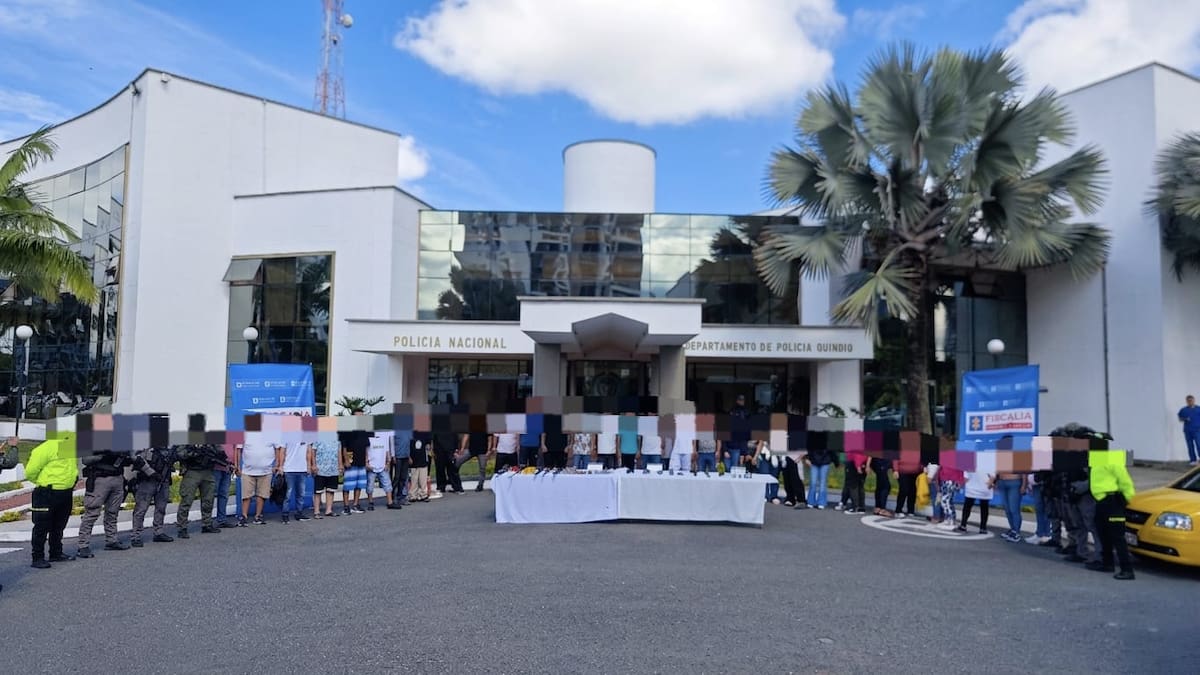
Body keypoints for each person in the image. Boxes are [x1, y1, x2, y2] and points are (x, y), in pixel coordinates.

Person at [26, 434, 79, 569]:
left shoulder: (70, 447)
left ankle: (56, 553)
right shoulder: (46, 448)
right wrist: (43, 483)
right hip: (46, 492)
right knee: (41, 527)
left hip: (65, 492)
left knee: (59, 526)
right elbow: (30, 472)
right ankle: (37, 557)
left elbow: (72, 469)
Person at [76, 448, 132, 557]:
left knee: (112, 512)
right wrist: (104, 455)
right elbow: (85, 460)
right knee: (92, 513)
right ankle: (83, 545)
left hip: (117, 478)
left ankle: (111, 540)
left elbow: (129, 459)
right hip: (100, 479)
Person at [1088, 460, 1137, 580]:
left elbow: (1125, 481)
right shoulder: (1095, 461)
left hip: (1112, 501)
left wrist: (1125, 499)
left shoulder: (1112, 459)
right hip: (1100, 501)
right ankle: (1107, 564)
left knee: (1118, 537)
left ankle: (1127, 570)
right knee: (1103, 533)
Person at [130, 445, 177, 547]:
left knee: (161, 508)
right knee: (141, 509)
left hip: (163, 480)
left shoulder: (170, 445)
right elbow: (137, 458)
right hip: (147, 480)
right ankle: (135, 536)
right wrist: (151, 473)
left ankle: (158, 532)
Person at [176, 444, 225, 537]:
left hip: (207, 471)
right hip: (191, 471)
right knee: (187, 500)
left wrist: (210, 450)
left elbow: (220, 451)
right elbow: (180, 453)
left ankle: (207, 524)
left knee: (208, 500)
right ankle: (182, 527)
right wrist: (193, 453)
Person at [236, 439, 279, 525]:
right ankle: (244, 517)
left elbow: (277, 449)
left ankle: (258, 516)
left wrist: (276, 464)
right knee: (246, 495)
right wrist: (237, 466)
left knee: (262, 495)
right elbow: (238, 449)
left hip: (266, 471)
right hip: (247, 471)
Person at [279, 436, 313, 522]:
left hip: (302, 469)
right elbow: (282, 452)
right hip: (289, 469)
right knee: (288, 494)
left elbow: (309, 451)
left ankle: (299, 513)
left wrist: (308, 466)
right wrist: (281, 466)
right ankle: (285, 514)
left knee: (301, 494)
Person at [310, 435, 342, 518]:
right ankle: (316, 511)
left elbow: (339, 452)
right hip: (320, 469)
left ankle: (329, 510)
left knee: (331, 490)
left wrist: (340, 465)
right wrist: (313, 465)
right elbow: (313, 452)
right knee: (318, 491)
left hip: (333, 468)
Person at [340, 428, 371, 514]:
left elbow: (366, 448)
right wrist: (345, 460)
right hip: (351, 463)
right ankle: (346, 506)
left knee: (359, 485)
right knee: (347, 485)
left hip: (361, 462)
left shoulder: (364, 432)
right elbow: (344, 447)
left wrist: (366, 461)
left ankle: (355, 504)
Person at [366, 429, 399, 510]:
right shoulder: (369, 439)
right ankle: (370, 502)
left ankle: (390, 502)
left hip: (382, 466)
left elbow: (387, 451)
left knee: (388, 484)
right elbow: (366, 452)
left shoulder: (384, 439)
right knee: (370, 486)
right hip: (372, 466)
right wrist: (366, 463)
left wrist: (388, 462)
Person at [957, 470, 994, 534]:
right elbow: (993, 476)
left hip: (971, 487)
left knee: (967, 506)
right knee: (984, 507)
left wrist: (962, 484)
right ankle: (983, 527)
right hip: (985, 488)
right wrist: (990, 484)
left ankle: (963, 525)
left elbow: (966, 477)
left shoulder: (969, 461)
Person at [994, 470, 1025, 543]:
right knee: (1007, 509)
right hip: (1001, 482)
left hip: (1014, 481)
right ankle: (1013, 529)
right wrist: (995, 480)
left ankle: (1016, 532)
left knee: (1014, 509)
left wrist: (1024, 485)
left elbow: (1024, 471)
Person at [212, 443, 237, 528]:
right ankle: (206, 521)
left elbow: (235, 448)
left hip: (228, 467)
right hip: (216, 467)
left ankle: (221, 520)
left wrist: (235, 464)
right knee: (210, 494)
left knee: (224, 494)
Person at [724, 394, 751, 471]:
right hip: (728, 447)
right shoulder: (732, 411)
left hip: (737, 449)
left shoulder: (746, 412)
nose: (741, 401)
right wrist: (725, 450)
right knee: (727, 468)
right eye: (740, 400)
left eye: (742, 400)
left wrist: (743, 453)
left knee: (734, 469)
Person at [433, 430, 463, 494]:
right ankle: (441, 487)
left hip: (450, 451)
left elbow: (456, 437)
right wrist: (434, 451)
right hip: (439, 451)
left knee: (452, 470)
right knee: (440, 470)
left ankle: (457, 488)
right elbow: (434, 439)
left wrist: (456, 450)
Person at [409, 433, 431, 502]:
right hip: (413, 460)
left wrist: (428, 448)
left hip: (423, 459)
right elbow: (407, 446)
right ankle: (412, 495)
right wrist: (409, 457)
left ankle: (423, 494)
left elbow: (428, 444)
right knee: (414, 479)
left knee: (423, 479)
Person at [1178, 395, 1200, 465]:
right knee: (1190, 446)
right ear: (1187, 401)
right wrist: (1185, 419)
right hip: (1187, 431)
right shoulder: (1183, 410)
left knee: (1199, 445)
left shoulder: (1198, 409)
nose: (1190, 402)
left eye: (1191, 400)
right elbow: (1180, 419)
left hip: (1197, 430)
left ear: (1194, 400)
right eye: (1189, 401)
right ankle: (1193, 460)